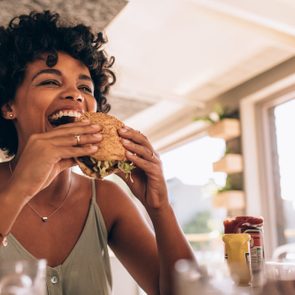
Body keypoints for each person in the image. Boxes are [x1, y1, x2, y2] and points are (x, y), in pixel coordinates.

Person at [0, 10, 196, 295]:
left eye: (84, 87)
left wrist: (159, 206)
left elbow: (186, 292)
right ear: (8, 106)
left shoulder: (107, 199)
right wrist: (19, 191)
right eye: (50, 81)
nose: (76, 95)